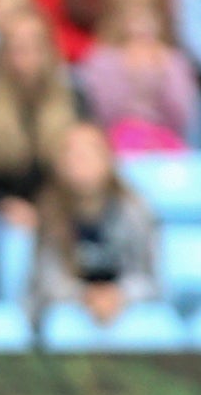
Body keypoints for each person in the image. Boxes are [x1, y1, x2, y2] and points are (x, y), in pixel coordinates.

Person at [0, 6, 83, 227]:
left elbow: (86, 166)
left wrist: (49, 208)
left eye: (35, 47)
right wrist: (4, 204)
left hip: (62, 209)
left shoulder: (74, 98)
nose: (26, 56)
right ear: (2, 55)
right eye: (17, 48)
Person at [31, 123, 160, 326]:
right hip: (68, 310)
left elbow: (151, 278)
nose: (79, 160)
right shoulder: (49, 212)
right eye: (70, 152)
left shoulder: (136, 211)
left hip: (126, 308)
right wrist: (85, 296)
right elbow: (45, 281)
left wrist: (119, 295)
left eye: (89, 152)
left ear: (108, 159)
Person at [77, 0, 201, 147]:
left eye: (147, 10)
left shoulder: (174, 61)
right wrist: (132, 72)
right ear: (115, 16)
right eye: (130, 10)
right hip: (113, 146)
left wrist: (160, 71)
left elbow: (183, 118)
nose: (140, 20)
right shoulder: (101, 60)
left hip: (167, 148)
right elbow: (105, 114)